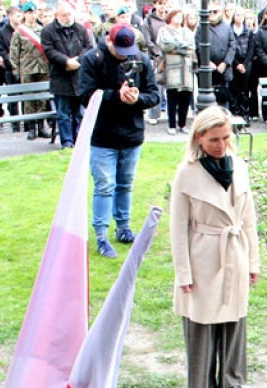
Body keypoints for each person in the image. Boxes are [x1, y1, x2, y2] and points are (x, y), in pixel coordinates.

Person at [170, 106, 260, 388]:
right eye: (213, 140)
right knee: (203, 324)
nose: (221, 145)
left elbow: (248, 219)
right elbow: (178, 228)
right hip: (203, 255)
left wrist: (253, 262)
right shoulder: (187, 173)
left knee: (234, 319)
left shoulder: (238, 165)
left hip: (234, 248)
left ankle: (232, 381)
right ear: (199, 138)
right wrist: (183, 272)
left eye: (225, 137)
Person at [78, 24, 158, 258]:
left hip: (132, 134)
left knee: (126, 183)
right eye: (121, 50)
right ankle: (101, 235)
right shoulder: (93, 59)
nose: (126, 54)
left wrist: (136, 100)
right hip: (103, 135)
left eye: (129, 49)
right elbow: (85, 96)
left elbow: (153, 95)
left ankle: (123, 227)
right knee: (104, 186)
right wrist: (116, 95)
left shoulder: (141, 59)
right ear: (109, 42)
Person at [41, 1, 93, 149]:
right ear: (57, 15)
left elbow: (89, 47)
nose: (67, 17)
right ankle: (67, 142)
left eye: (70, 14)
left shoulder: (81, 29)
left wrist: (77, 61)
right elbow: (49, 51)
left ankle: (79, 141)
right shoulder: (48, 31)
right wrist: (66, 61)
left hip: (78, 77)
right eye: (64, 15)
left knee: (78, 113)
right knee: (63, 114)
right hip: (60, 77)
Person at [10, 2, 52, 140]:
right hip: (27, 69)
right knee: (29, 101)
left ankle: (41, 127)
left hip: (42, 69)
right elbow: (14, 53)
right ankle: (31, 128)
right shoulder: (19, 32)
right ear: (24, 14)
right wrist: (16, 70)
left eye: (34, 13)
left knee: (42, 99)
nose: (32, 15)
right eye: (29, 13)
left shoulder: (42, 30)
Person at [157, 9, 194, 134]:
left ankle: (182, 124)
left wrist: (176, 49)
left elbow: (190, 48)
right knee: (172, 96)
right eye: (176, 16)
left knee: (186, 96)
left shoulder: (187, 31)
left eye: (180, 16)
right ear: (170, 17)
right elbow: (166, 46)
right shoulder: (164, 30)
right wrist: (181, 48)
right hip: (172, 67)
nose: (179, 18)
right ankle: (171, 125)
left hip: (186, 68)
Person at [142, 0, 167, 124]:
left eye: (165, 3)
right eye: (161, 3)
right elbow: (147, 41)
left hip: (171, 57)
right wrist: (158, 53)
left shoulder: (169, 18)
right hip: (155, 58)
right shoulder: (148, 21)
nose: (163, 6)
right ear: (155, 5)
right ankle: (153, 114)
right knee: (157, 86)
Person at [229, 7, 254, 120]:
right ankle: (236, 112)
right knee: (235, 90)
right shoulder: (229, 30)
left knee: (245, 90)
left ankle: (245, 114)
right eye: (237, 15)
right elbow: (229, 48)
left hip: (246, 63)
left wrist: (244, 64)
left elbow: (251, 49)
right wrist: (237, 64)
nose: (239, 17)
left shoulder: (248, 31)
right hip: (234, 63)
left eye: (241, 15)